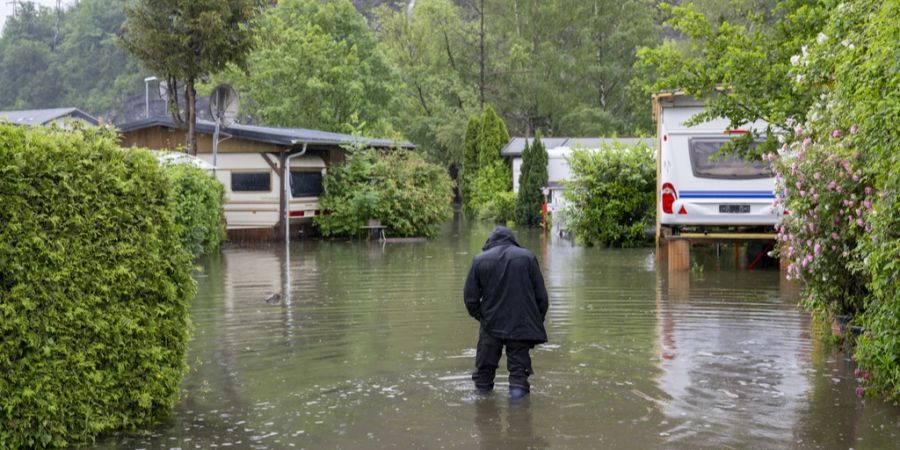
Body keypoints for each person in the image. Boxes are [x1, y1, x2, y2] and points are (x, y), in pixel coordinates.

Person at [464, 226, 549, 399]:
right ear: (512, 240)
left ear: (490, 241)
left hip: (490, 326)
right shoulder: (527, 258)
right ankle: (519, 417)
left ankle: (484, 414)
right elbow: (542, 298)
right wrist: (532, 321)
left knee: (484, 374)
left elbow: (470, 300)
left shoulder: (479, 260)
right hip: (520, 325)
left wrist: (484, 318)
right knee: (519, 374)